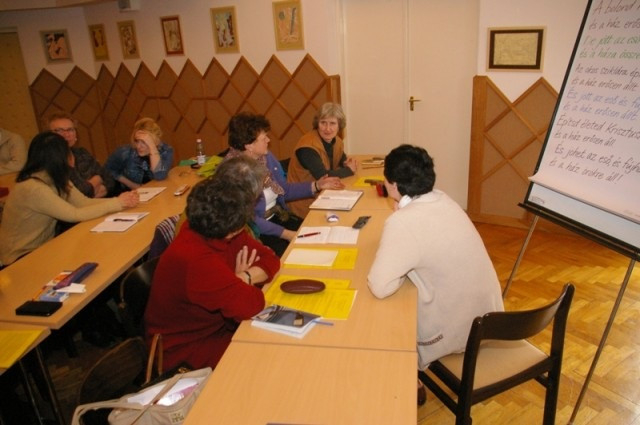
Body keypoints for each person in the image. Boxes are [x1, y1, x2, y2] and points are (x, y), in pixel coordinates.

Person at [367, 144, 504, 406]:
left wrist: (399, 225)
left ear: (393, 185)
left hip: (461, 332)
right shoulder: (444, 199)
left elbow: (380, 286)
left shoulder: (403, 221)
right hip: (490, 318)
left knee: (390, 311)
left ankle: (405, 376)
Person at [144, 156, 281, 371]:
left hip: (217, 329)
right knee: (269, 360)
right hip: (186, 351)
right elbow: (253, 304)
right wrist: (242, 283)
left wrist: (242, 278)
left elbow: (270, 259)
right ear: (233, 230)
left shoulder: (208, 225)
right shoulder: (196, 260)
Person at [0, 132, 139, 267]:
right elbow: (74, 214)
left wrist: (121, 200)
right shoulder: (33, 187)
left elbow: (83, 202)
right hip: (19, 258)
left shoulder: (55, 177)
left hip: (43, 249)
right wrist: (117, 203)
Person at [224, 112, 344, 256]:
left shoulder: (265, 157)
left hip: (279, 216)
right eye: (264, 138)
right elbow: (250, 220)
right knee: (300, 255)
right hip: (258, 231)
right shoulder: (234, 173)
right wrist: (286, 234)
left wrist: (317, 185)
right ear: (249, 145)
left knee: (322, 237)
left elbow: (283, 190)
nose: (268, 140)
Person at [287, 102, 358, 217]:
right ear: (317, 124)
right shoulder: (307, 147)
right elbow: (324, 177)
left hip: (324, 198)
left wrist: (346, 163)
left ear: (339, 125)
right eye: (323, 123)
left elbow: (342, 160)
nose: (327, 129)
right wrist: (349, 170)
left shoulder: (337, 141)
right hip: (304, 205)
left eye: (332, 123)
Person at [45, 112, 115, 198]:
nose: (66, 134)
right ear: (48, 136)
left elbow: (109, 180)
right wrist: (98, 179)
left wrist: (90, 193)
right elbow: (76, 195)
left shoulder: (81, 153)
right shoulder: (49, 162)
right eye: (59, 130)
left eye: (70, 130)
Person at [105, 117, 174, 194]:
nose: (138, 146)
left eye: (144, 142)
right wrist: (132, 185)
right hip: (126, 193)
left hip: (153, 193)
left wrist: (152, 147)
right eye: (137, 141)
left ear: (154, 141)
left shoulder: (166, 151)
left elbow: (160, 175)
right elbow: (108, 170)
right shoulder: (124, 152)